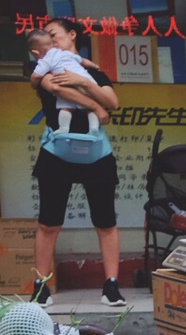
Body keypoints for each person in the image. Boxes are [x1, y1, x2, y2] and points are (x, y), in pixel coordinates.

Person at [30, 19, 124, 307]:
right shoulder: (45, 62)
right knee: (49, 223)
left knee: (106, 222)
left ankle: (111, 286)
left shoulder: (91, 69)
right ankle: (41, 286)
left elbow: (113, 101)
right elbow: (56, 88)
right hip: (57, 152)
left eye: (53, 33)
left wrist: (84, 81)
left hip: (97, 153)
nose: (49, 39)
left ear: (72, 35)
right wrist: (96, 105)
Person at [26, 30, 107, 131]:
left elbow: (37, 76)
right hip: (87, 81)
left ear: (35, 52)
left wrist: (33, 85)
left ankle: (64, 128)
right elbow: (83, 61)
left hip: (70, 84)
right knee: (90, 109)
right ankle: (93, 129)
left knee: (66, 107)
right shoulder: (65, 53)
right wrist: (94, 66)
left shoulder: (45, 60)